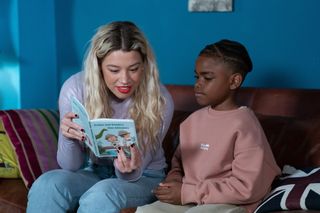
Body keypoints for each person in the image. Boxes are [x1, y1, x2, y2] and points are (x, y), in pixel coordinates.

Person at [27, 21, 174, 213]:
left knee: (102, 194)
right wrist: (68, 137)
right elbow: (70, 166)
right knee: (47, 183)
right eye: (114, 70)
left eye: (134, 69)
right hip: (93, 171)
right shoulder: (75, 89)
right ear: (98, 66)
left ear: (145, 65)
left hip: (144, 177)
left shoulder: (160, 100)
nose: (125, 80)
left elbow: (130, 176)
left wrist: (126, 166)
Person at [136, 39, 281, 213]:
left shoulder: (245, 124)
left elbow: (246, 187)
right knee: (146, 211)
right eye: (197, 77)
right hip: (190, 197)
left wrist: (187, 192)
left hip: (230, 202)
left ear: (234, 81)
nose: (198, 83)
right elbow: (178, 165)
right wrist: (174, 182)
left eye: (208, 78)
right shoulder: (192, 121)